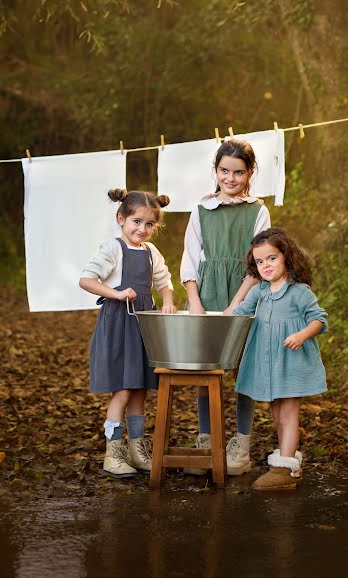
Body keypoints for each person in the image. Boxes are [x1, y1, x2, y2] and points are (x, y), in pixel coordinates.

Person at [180, 139, 271, 475]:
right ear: (215, 171)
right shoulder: (201, 209)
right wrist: (195, 303)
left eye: (238, 172)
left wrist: (238, 303)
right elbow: (190, 258)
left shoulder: (257, 210)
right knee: (208, 370)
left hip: (245, 294)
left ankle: (241, 447)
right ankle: (207, 442)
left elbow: (259, 262)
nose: (230, 178)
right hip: (207, 292)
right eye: (224, 171)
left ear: (249, 174)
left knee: (243, 370)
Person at [80, 189, 177, 478]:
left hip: (143, 325)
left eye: (149, 224)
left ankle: (137, 450)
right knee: (122, 389)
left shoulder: (151, 252)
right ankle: (113, 453)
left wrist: (169, 300)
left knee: (138, 390)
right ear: (121, 219)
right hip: (119, 324)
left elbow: (164, 280)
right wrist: (117, 292)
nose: (142, 229)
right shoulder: (113, 248)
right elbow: (86, 279)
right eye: (136, 222)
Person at [228, 228, 328, 490]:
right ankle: (287, 464)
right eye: (259, 262)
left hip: (291, 360)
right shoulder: (260, 291)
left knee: (289, 413)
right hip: (268, 362)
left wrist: (302, 335)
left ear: (286, 257)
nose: (266, 265)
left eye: (271, 258)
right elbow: (240, 313)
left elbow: (319, 319)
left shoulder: (299, 291)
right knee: (277, 416)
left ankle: (283, 468)